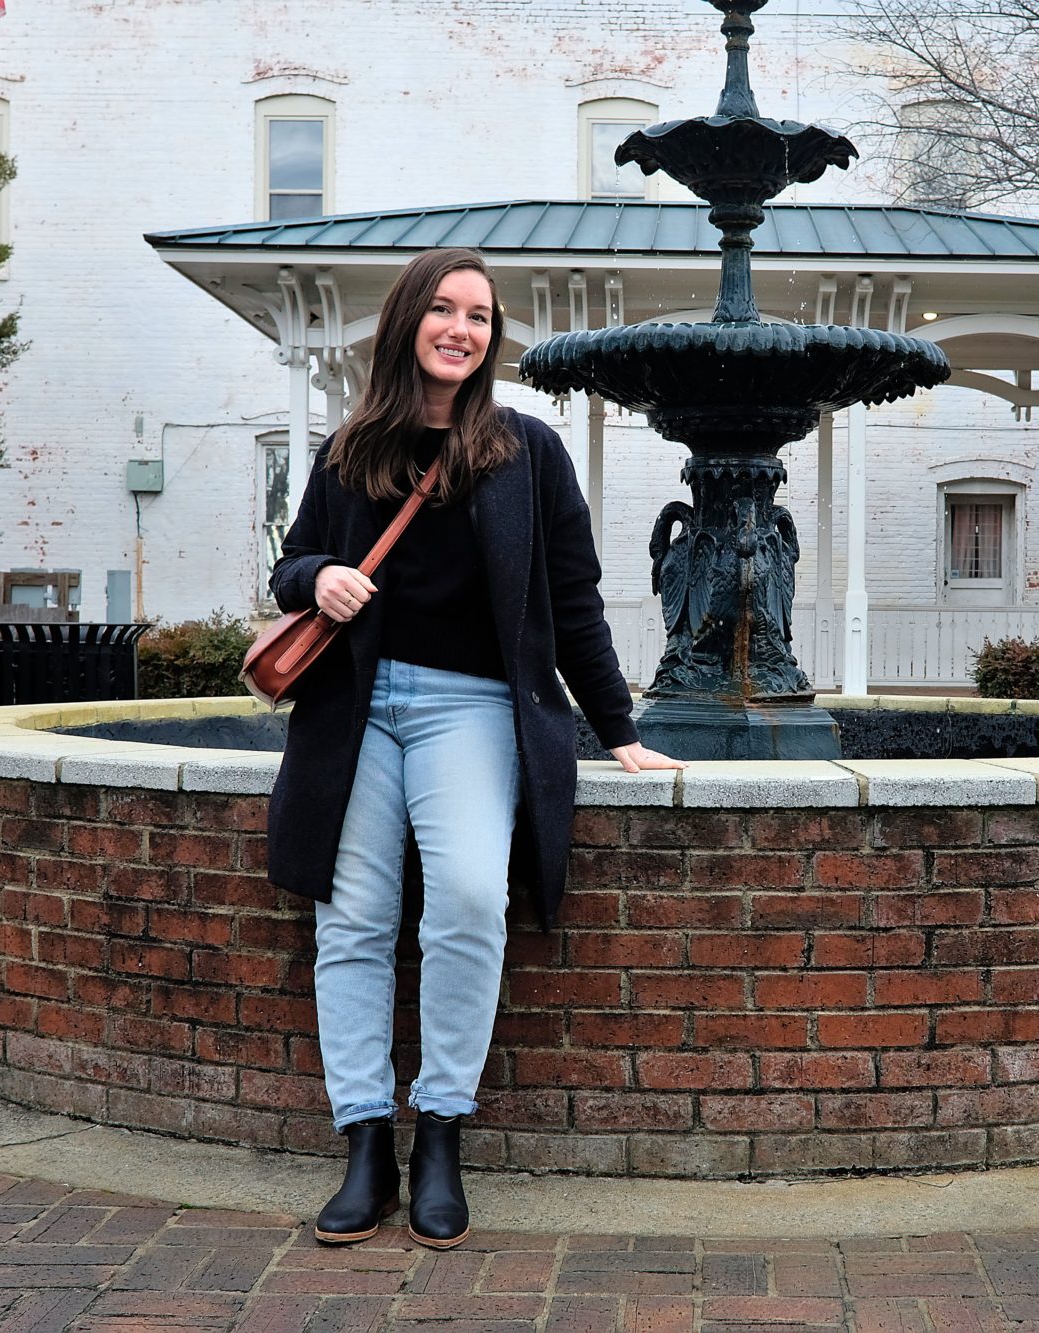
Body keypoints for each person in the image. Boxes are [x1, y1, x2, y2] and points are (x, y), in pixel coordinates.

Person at [265, 247, 683, 1249]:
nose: (463, 329)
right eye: (445, 310)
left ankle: (440, 1129)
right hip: (354, 709)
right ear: (408, 319)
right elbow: (290, 568)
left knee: (464, 897)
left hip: (471, 709)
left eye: (481, 317)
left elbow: (572, 603)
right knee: (355, 917)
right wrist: (319, 574)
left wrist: (617, 729)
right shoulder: (347, 448)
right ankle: (364, 1139)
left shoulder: (525, 452)